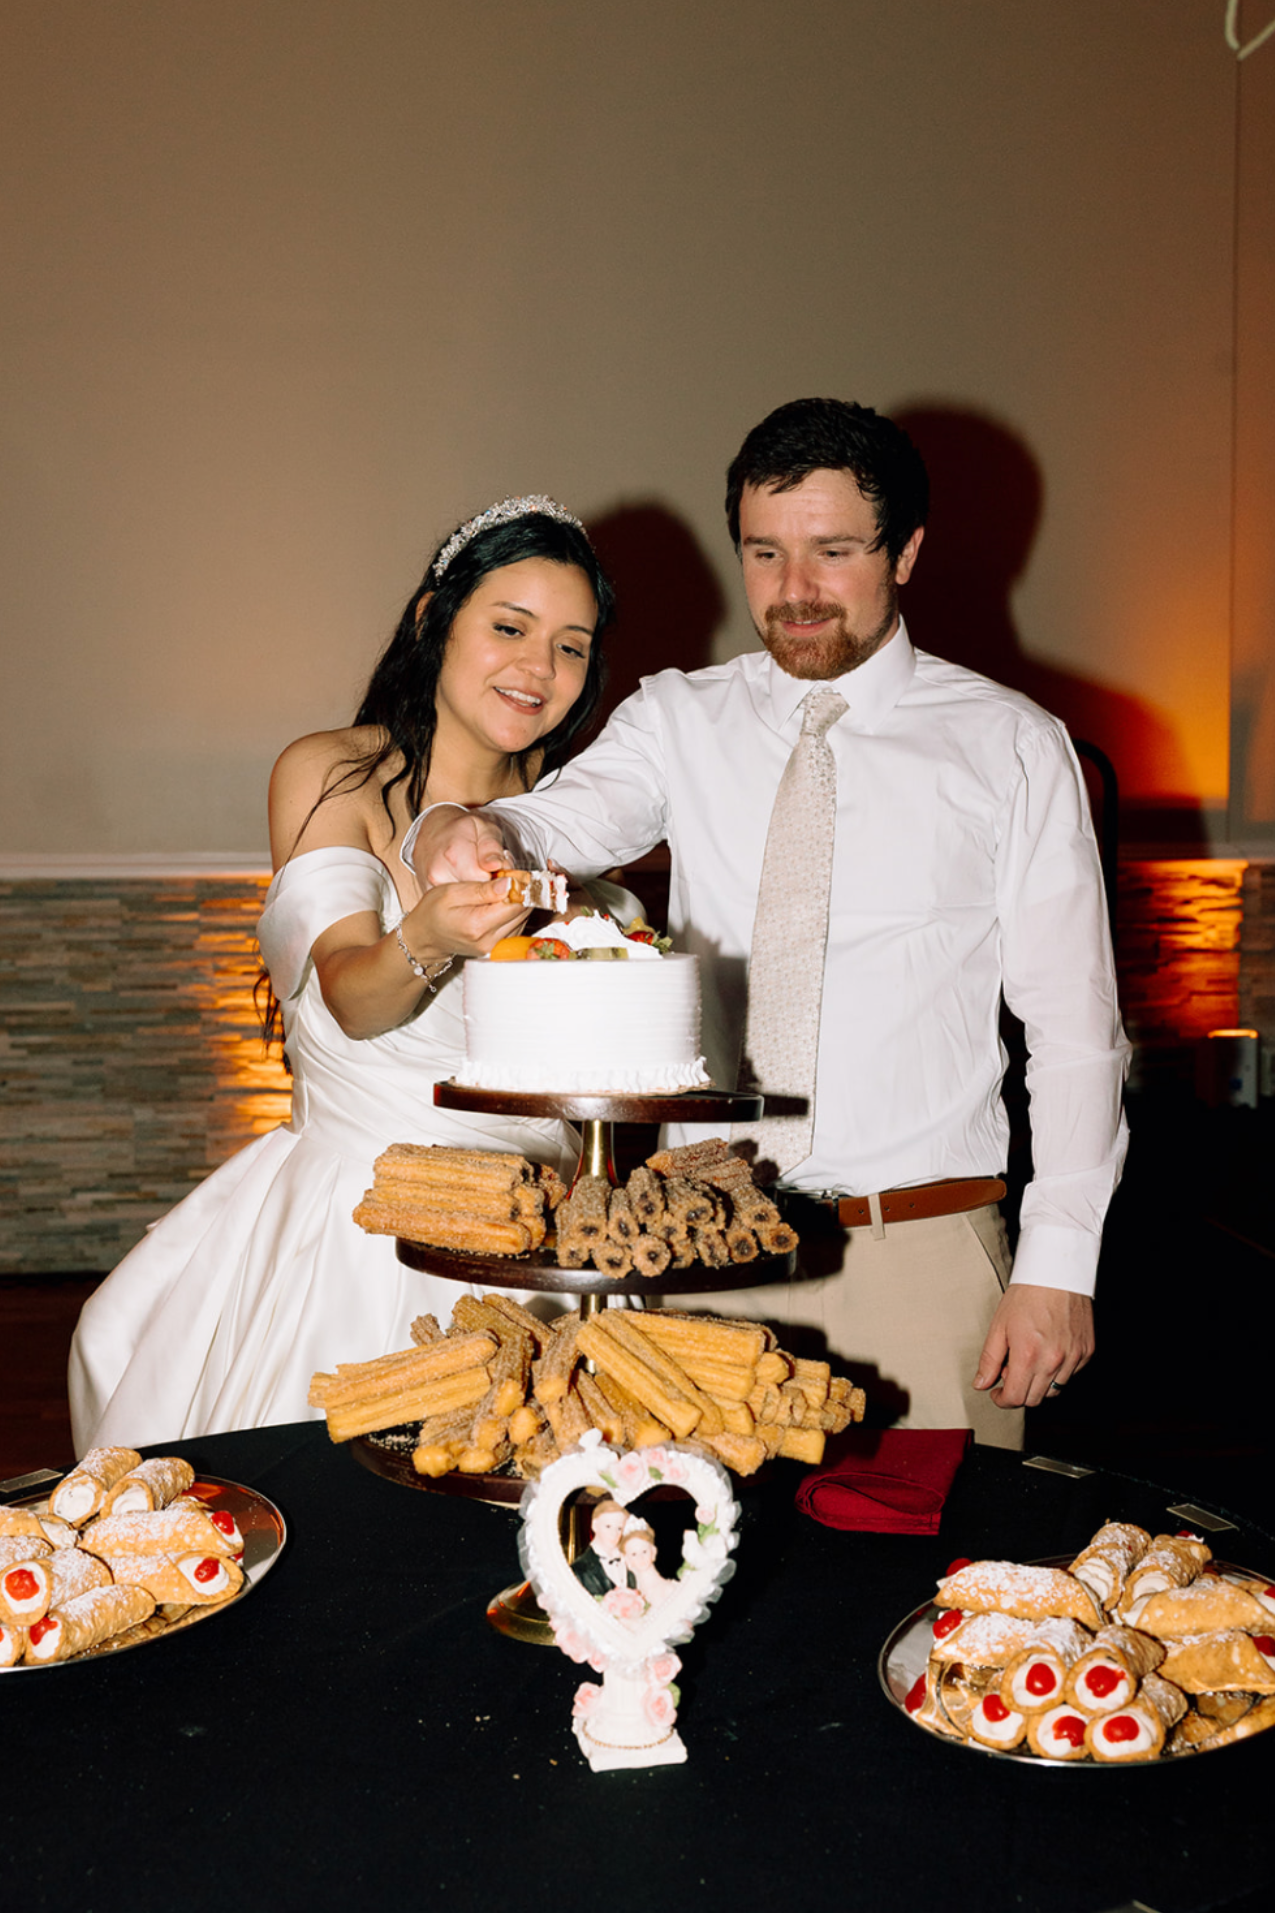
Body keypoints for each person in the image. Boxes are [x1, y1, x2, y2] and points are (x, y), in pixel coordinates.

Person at [405, 400, 1130, 1449]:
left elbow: (1075, 1028)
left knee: (930, 1602)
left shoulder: (1012, 746)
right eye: (765, 552)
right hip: (708, 1257)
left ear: (907, 552)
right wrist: (465, 827)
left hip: (923, 1259)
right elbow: (554, 816)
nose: (794, 591)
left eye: (834, 552)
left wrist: (1059, 1264)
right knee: (704, 1590)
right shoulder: (674, 717)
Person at [69, 496, 616, 1452]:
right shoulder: (332, 776)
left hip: (534, 1229)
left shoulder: (576, 832)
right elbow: (352, 994)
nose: (538, 667)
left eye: (571, 646)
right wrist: (436, 933)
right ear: (430, 620)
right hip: (354, 1219)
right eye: (509, 627)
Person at [571, 1499, 635, 1598]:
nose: (614, 1533)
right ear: (594, 1525)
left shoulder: (631, 1562)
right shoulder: (579, 1569)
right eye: (608, 1526)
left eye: (619, 1528)